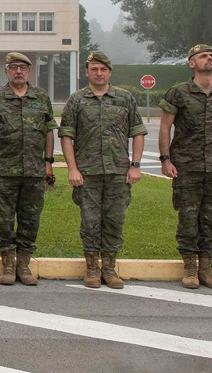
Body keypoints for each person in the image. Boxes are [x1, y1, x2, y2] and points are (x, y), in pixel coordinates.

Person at [59, 51, 146, 289]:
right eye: (94, 69)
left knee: (115, 220)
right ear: (87, 72)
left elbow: (137, 132)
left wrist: (135, 165)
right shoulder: (76, 100)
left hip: (118, 172)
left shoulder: (125, 98)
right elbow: (66, 136)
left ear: (110, 73)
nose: (99, 73)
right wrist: (72, 169)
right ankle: (92, 269)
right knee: (90, 221)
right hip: (87, 172)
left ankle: (109, 268)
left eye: (103, 69)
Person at [158, 44, 212, 290]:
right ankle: (190, 267)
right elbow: (165, 127)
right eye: (204, 56)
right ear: (192, 63)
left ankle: (207, 267)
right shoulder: (179, 93)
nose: (209, 59)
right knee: (188, 217)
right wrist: (165, 159)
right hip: (186, 167)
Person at [0, 52, 57, 286]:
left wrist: (48, 162)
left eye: (22, 67)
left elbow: (49, 131)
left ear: (29, 71)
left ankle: (24, 264)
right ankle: (8, 264)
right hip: (4, 171)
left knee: (30, 218)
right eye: (13, 67)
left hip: (34, 171)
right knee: (3, 219)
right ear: (7, 71)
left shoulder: (41, 97)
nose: (18, 71)